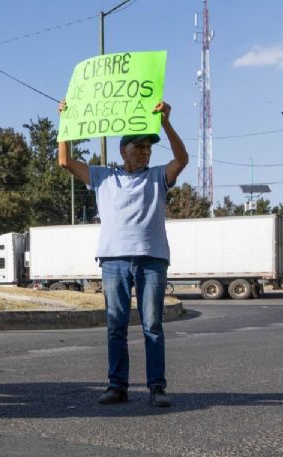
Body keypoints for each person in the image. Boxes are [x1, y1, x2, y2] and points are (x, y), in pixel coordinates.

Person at [57, 99, 188, 408]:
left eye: (148, 148)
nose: (145, 152)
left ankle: (157, 387)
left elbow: (181, 159)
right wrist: (66, 121)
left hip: (151, 260)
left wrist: (166, 122)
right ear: (123, 151)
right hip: (114, 260)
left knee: (152, 326)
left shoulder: (157, 177)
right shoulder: (103, 177)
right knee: (116, 326)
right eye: (139, 147)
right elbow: (65, 161)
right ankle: (118, 386)